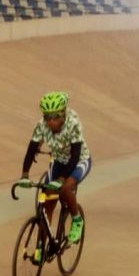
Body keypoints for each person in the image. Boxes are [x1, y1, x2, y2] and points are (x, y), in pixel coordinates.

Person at [16, 91, 91, 247]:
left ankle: (77, 220)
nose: (51, 122)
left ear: (63, 113)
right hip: (59, 160)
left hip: (78, 161)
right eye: (47, 117)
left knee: (64, 189)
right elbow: (31, 149)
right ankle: (42, 244)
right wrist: (24, 174)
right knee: (48, 202)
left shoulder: (73, 123)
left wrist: (62, 179)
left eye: (56, 116)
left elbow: (75, 155)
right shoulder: (41, 125)